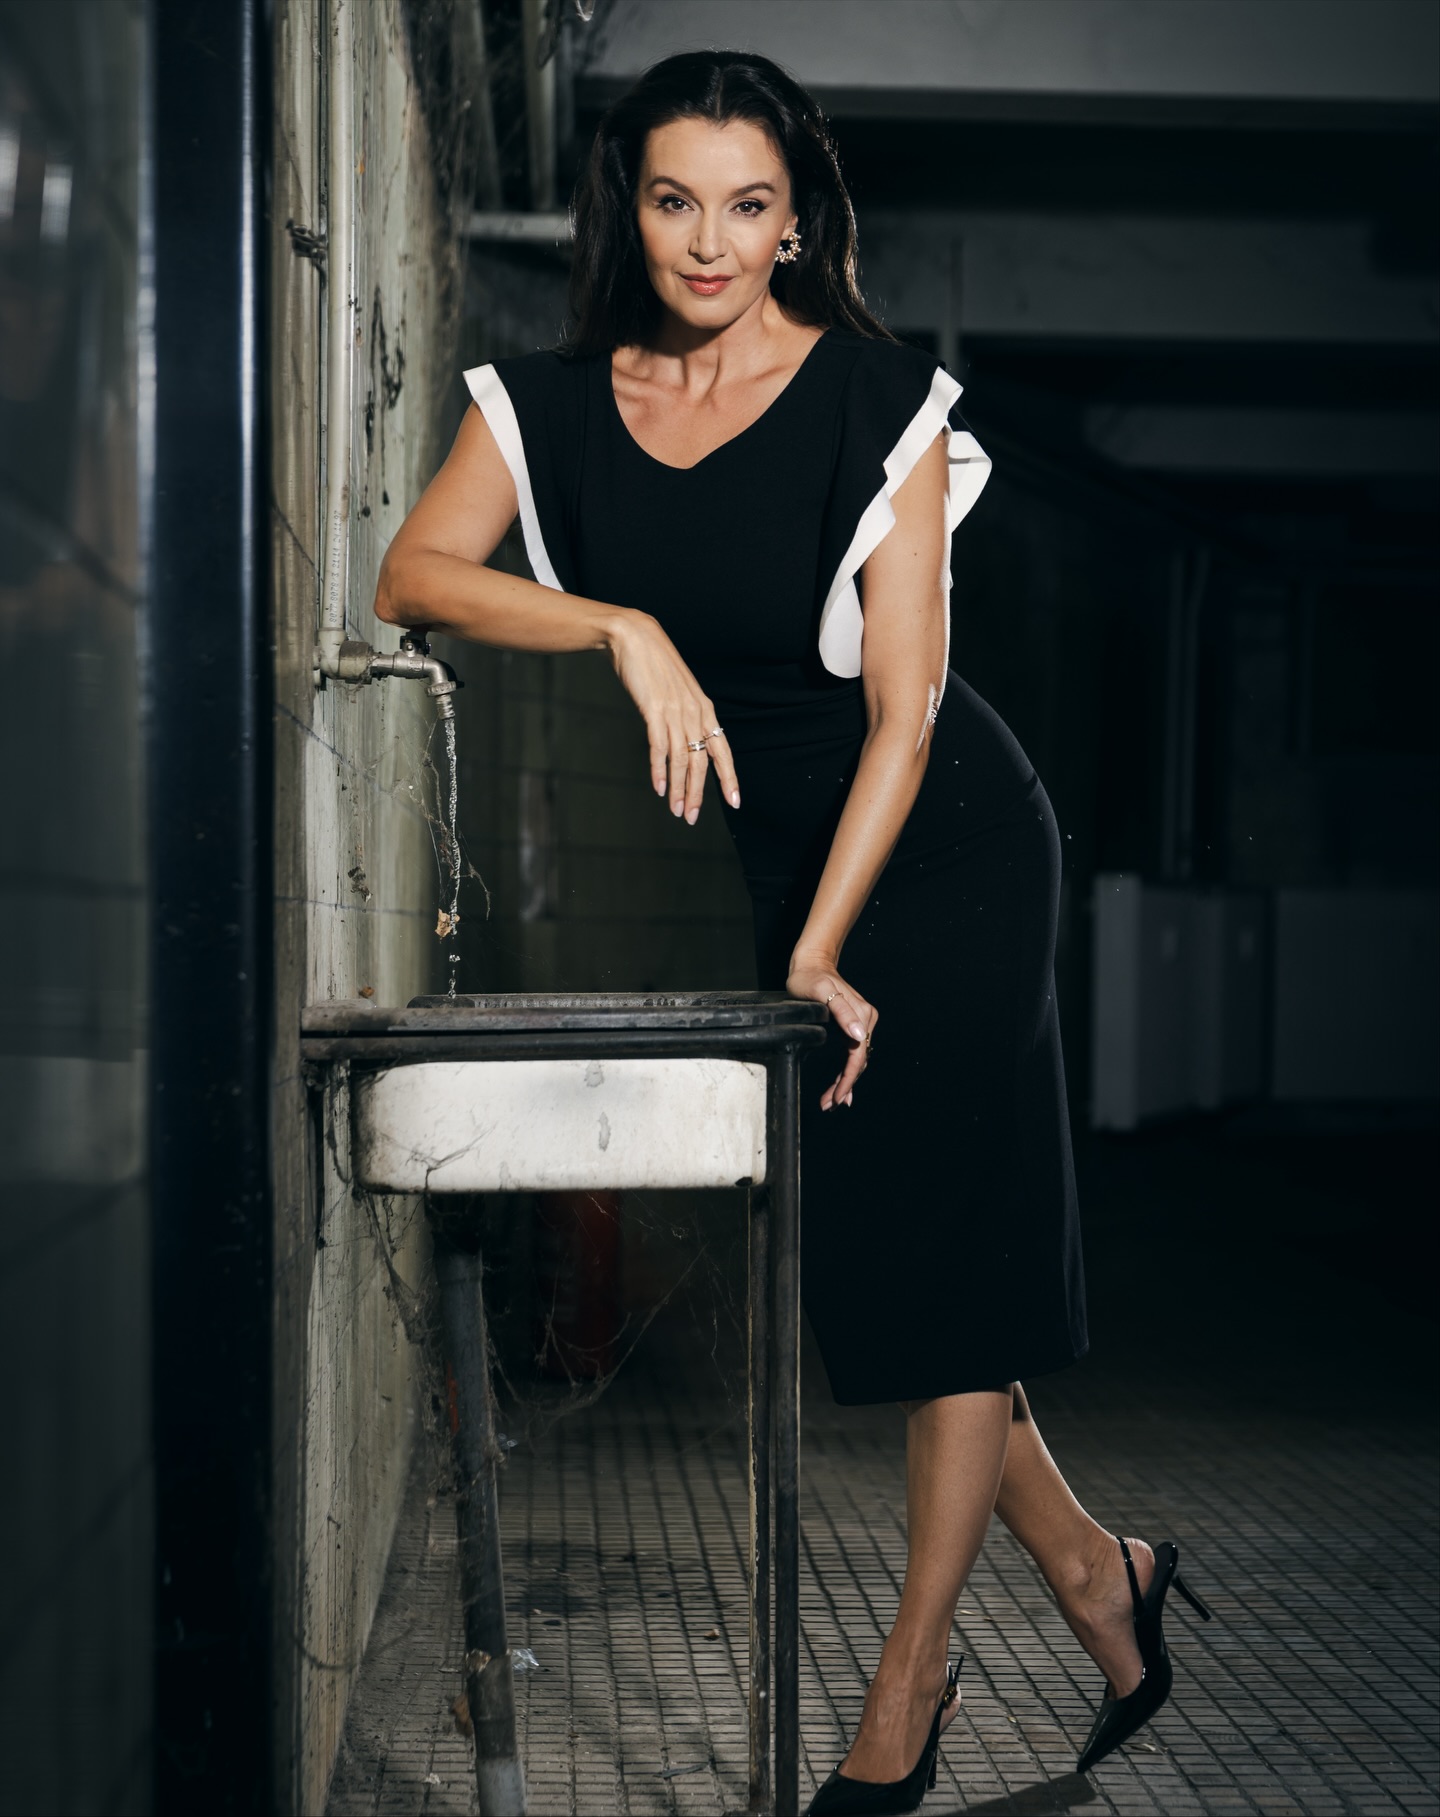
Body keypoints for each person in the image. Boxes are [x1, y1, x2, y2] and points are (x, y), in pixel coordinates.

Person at [375, 48, 1211, 1815]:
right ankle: (1099, 1574)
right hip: (801, 874)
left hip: (946, 850)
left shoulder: (878, 405)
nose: (709, 242)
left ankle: (908, 1689)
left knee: (941, 1272)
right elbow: (416, 574)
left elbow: (903, 718)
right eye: (675, 200)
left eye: (748, 207)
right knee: (915, 1279)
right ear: (630, 207)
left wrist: (819, 953)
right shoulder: (551, 405)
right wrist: (618, 625)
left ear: (796, 222)